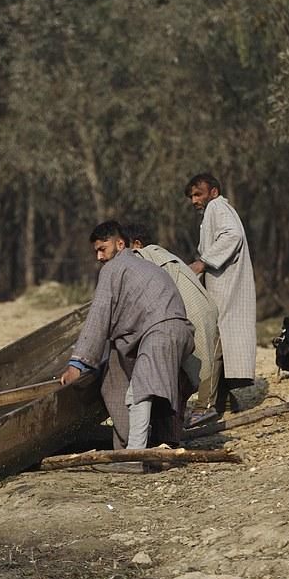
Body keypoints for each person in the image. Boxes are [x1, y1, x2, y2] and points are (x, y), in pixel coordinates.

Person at [59, 221, 194, 452]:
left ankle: (134, 453)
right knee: (152, 387)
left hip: (159, 331)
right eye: (96, 251)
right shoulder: (143, 266)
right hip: (180, 332)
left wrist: (77, 364)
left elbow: (99, 316)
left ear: (120, 244)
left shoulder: (112, 268)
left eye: (103, 249)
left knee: (140, 390)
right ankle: (164, 442)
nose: (99, 257)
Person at [125, 223, 223, 425]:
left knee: (202, 361)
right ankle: (215, 404)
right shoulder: (161, 253)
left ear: (136, 244)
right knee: (207, 358)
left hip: (192, 310)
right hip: (199, 306)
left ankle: (204, 408)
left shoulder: (143, 254)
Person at [184, 173, 257, 413]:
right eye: (192, 196)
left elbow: (232, 235)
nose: (195, 200)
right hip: (223, 287)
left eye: (198, 194)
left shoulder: (217, 207)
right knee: (223, 342)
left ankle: (205, 406)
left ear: (213, 192)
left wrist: (202, 263)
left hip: (224, 289)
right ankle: (224, 401)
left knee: (212, 342)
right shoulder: (215, 211)